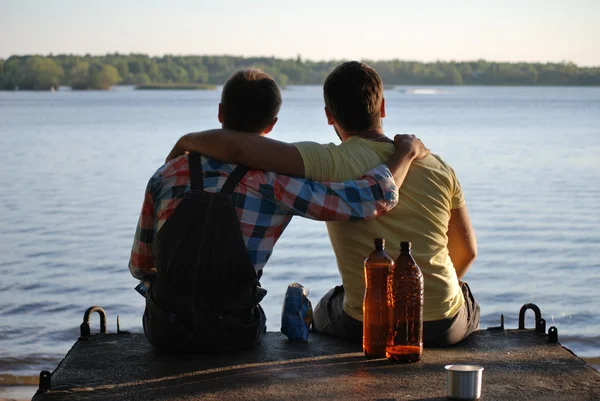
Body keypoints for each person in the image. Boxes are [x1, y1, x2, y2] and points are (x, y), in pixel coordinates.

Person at [165, 61, 480, 347]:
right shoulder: (440, 168)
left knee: (330, 302)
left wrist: (186, 141)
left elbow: (240, 148)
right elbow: (467, 252)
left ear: (329, 115)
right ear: (382, 107)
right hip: (444, 324)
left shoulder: (327, 162)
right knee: (465, 298)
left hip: (368, 324)